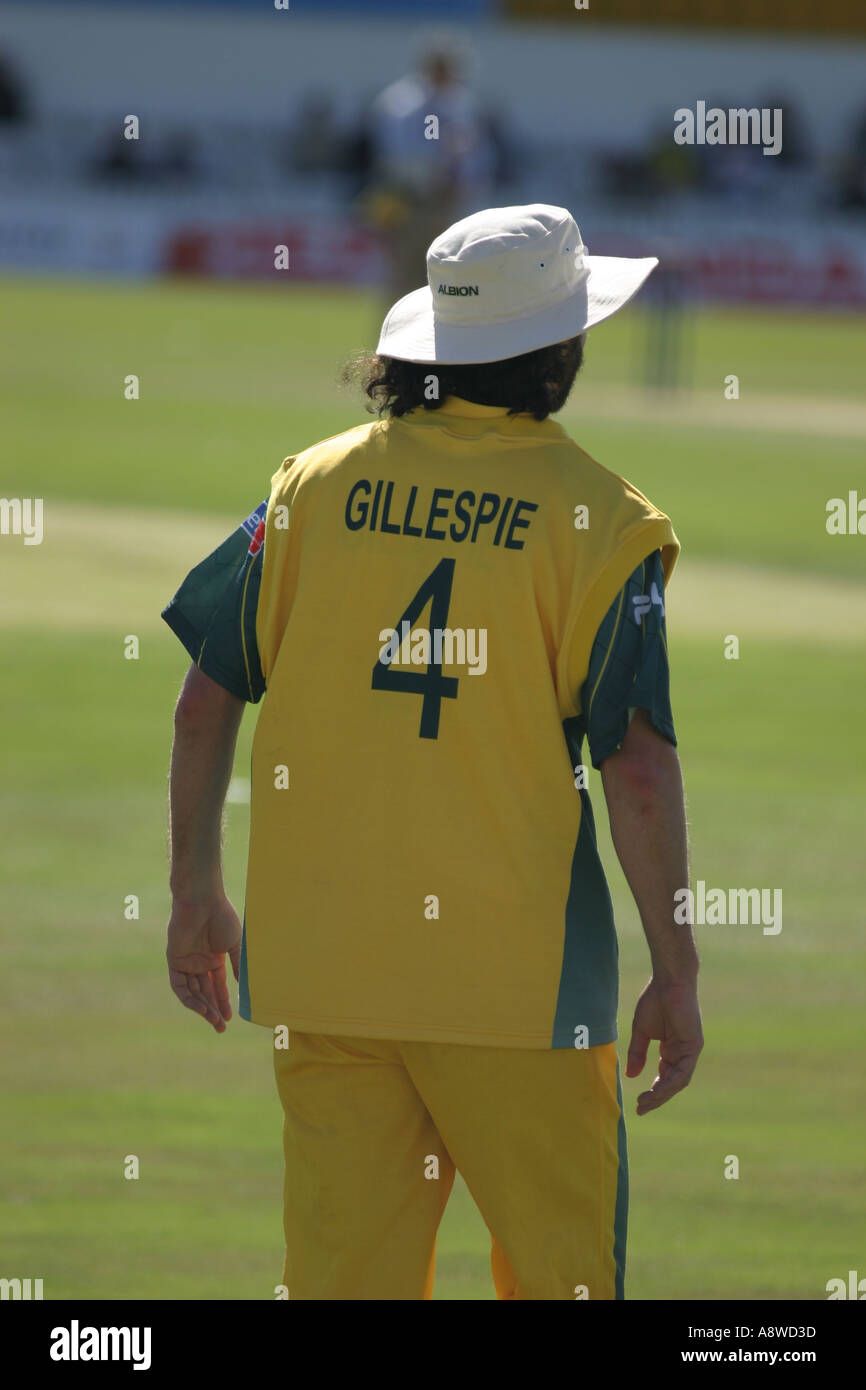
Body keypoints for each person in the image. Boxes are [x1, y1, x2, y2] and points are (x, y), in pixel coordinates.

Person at [161, 203, 703, 1301]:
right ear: (558, 353)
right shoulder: (605, 520)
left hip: (326, 975)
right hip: (520, 993)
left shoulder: (305, 487)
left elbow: (201, 699)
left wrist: (192, 894)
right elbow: (634, 767)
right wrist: (676, 969)